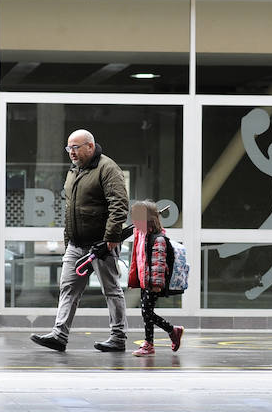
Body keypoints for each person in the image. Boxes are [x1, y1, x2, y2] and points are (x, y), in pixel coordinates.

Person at [30, 130, 131, 352]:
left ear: (90, 146)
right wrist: (68, 240)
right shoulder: (74, 171)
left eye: (76, 147)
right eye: (69, 148)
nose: (72, 152)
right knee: (68, 288)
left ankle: (118, 337)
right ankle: (59, 335)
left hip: (102, 244)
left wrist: (112, 237)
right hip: (76, 244)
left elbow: (120, 204)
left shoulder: (107, 168)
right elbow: (70, 209)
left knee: (111, 290)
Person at [125, 200, 184, 357]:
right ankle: (151, 342)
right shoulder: (143, 235)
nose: (134, 221)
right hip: (146, 281)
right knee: (146, 312)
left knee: (147, 312)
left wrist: (156, 284)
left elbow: (158, 264)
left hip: (153, 283)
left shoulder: (157, 239)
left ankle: (171, 331)